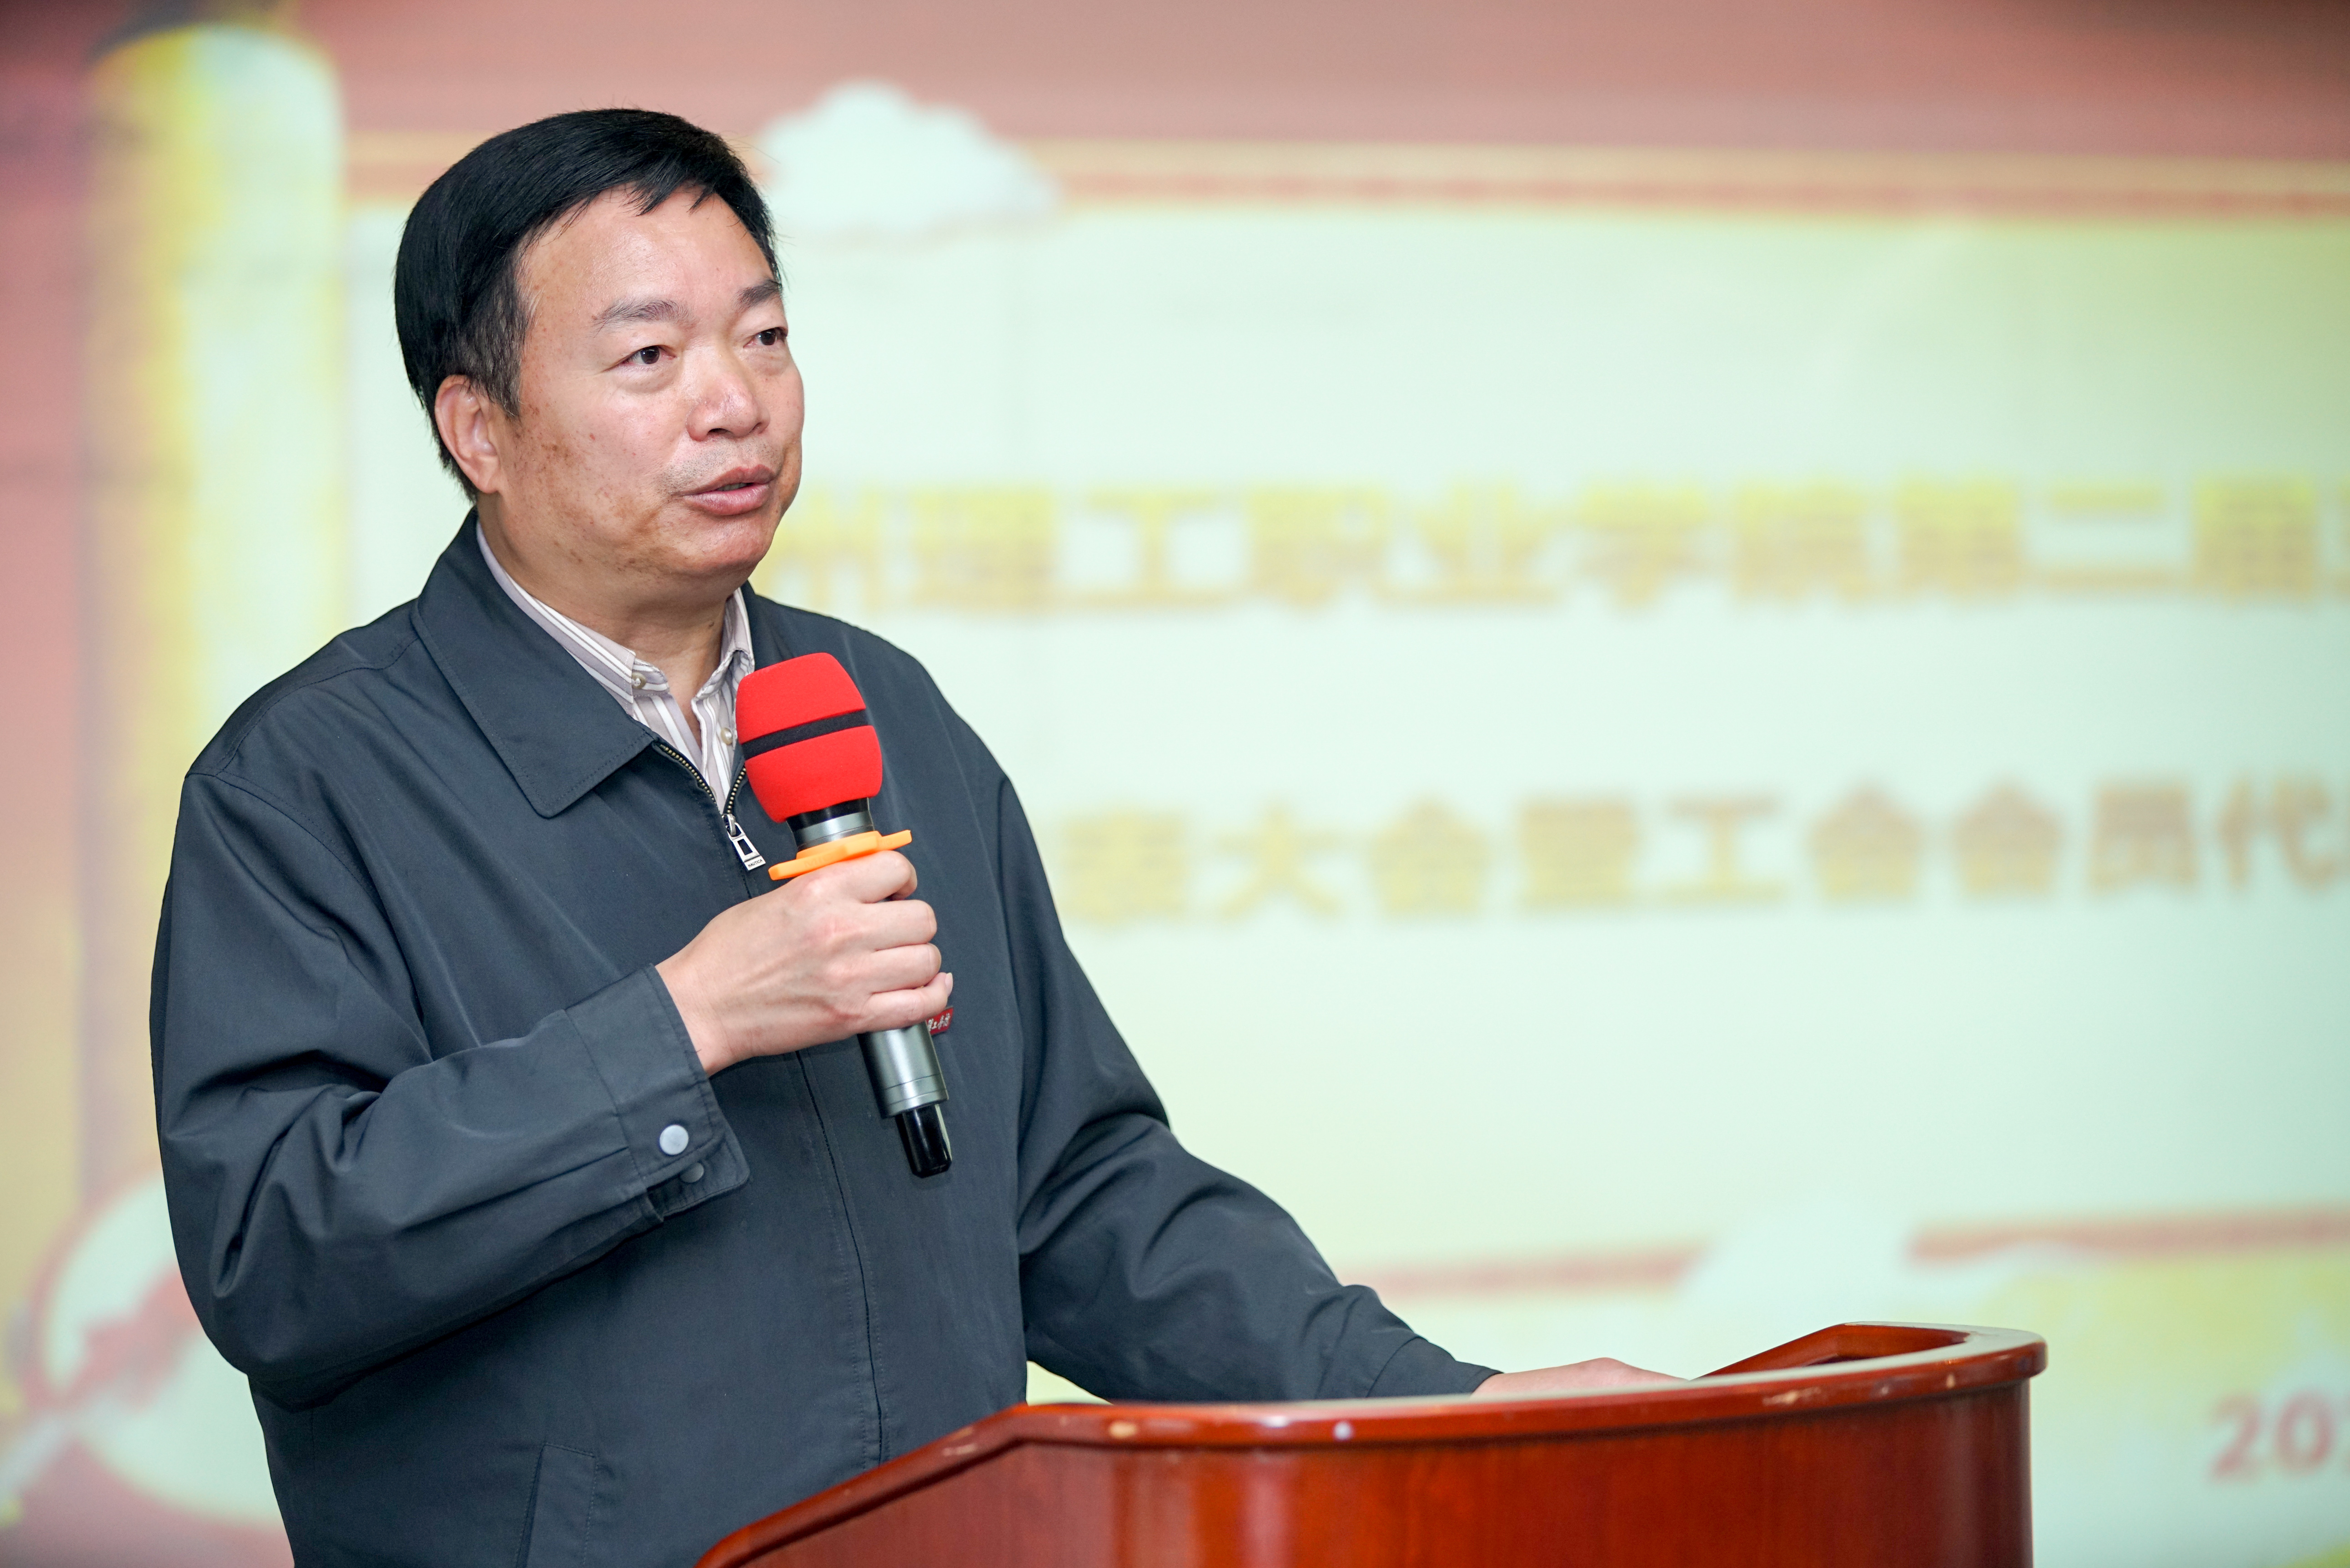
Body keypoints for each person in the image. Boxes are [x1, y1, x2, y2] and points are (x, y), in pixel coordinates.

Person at [152, 108, 1664, 1568]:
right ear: (478, 428)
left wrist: (1432, 1403)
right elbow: (278, 1255)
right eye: (651, 357)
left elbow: (1077, 1193)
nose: (735, 402)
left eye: (764, 335)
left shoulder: (877, 708)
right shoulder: (307, 781)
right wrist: (684, 1025)